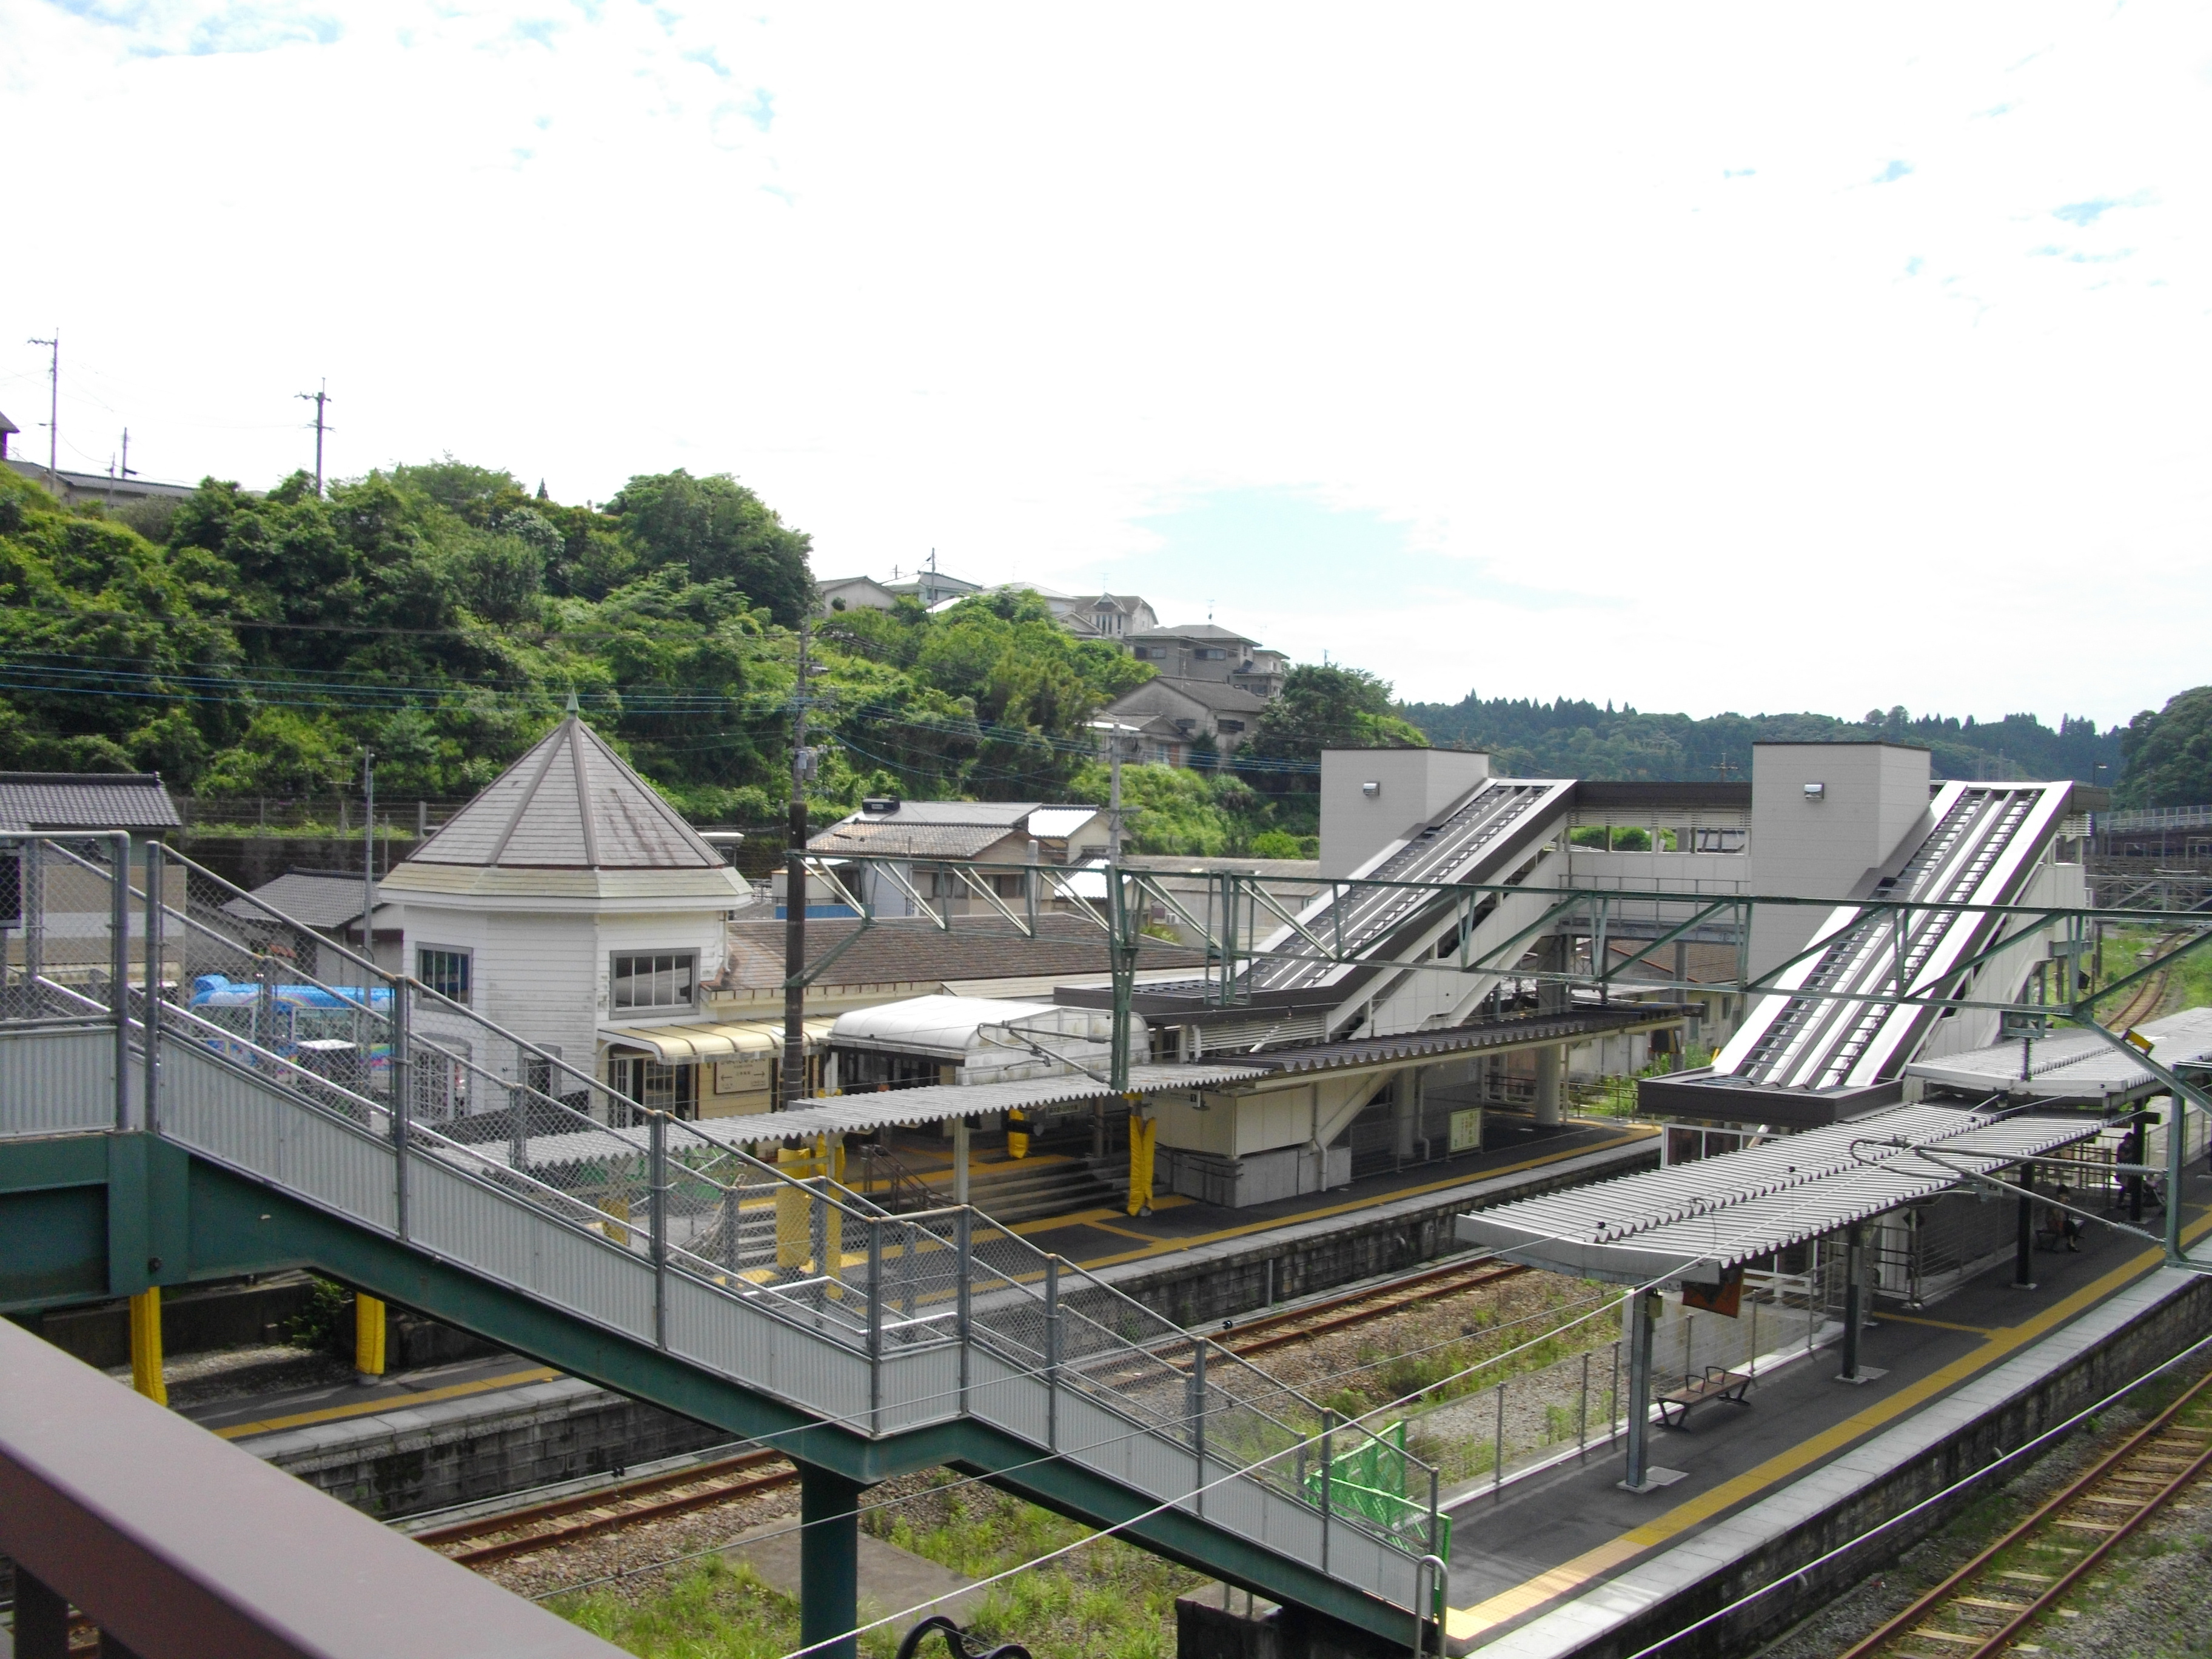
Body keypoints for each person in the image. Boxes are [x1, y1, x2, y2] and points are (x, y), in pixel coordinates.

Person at [2046, 1184, 2084, 1252]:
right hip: (2054, 1222)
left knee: (2073, 1224)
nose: (2065, 1197)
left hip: (2061, 1221)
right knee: (2070, 1225)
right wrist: (2061, 1203)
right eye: (2064, 1195)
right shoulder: (2054, 1202)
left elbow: (2067, 1214)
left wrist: (2065, 1204)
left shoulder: (2063, 1202)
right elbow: (2055, 1214)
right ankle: (2071, 1243)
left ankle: (2071, 1242)